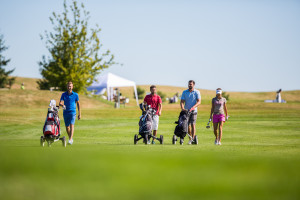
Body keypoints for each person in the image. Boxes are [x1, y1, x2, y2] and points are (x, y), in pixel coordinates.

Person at [180, 80, 201, 144]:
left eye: (191, 84)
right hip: (186, 111)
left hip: (194, 111)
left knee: (193, 125)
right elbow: (182, 101)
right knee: (187, 125)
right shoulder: (184, 92)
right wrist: (183, 108)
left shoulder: (197, 92)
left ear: (193, 85)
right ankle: (190, 138)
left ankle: (193, 139)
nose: (189, 85)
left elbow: (199, 102)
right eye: (189, 84)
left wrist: (194, 107)